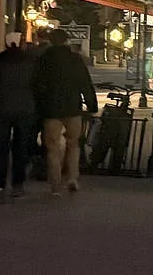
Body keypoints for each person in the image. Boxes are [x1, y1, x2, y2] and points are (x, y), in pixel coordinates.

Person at [34, 29, 98, 197]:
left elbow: (37, 84)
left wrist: (38, 106)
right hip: (72, 107)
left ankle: (55, 186)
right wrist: (91, 105)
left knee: (53, 147)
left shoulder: (44, 59)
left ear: (51, 40)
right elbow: (85, 82)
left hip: (51, 109)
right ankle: (72, 177)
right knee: (74, 144)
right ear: (67, 41)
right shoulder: (75, 59)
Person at [0, 33, 38, 202]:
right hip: (25, 109)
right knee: (21, 148)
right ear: (21, 43)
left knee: (1, 150)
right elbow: (39, 85)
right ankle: (18, 184)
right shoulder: (32, 61)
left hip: (1, 109)